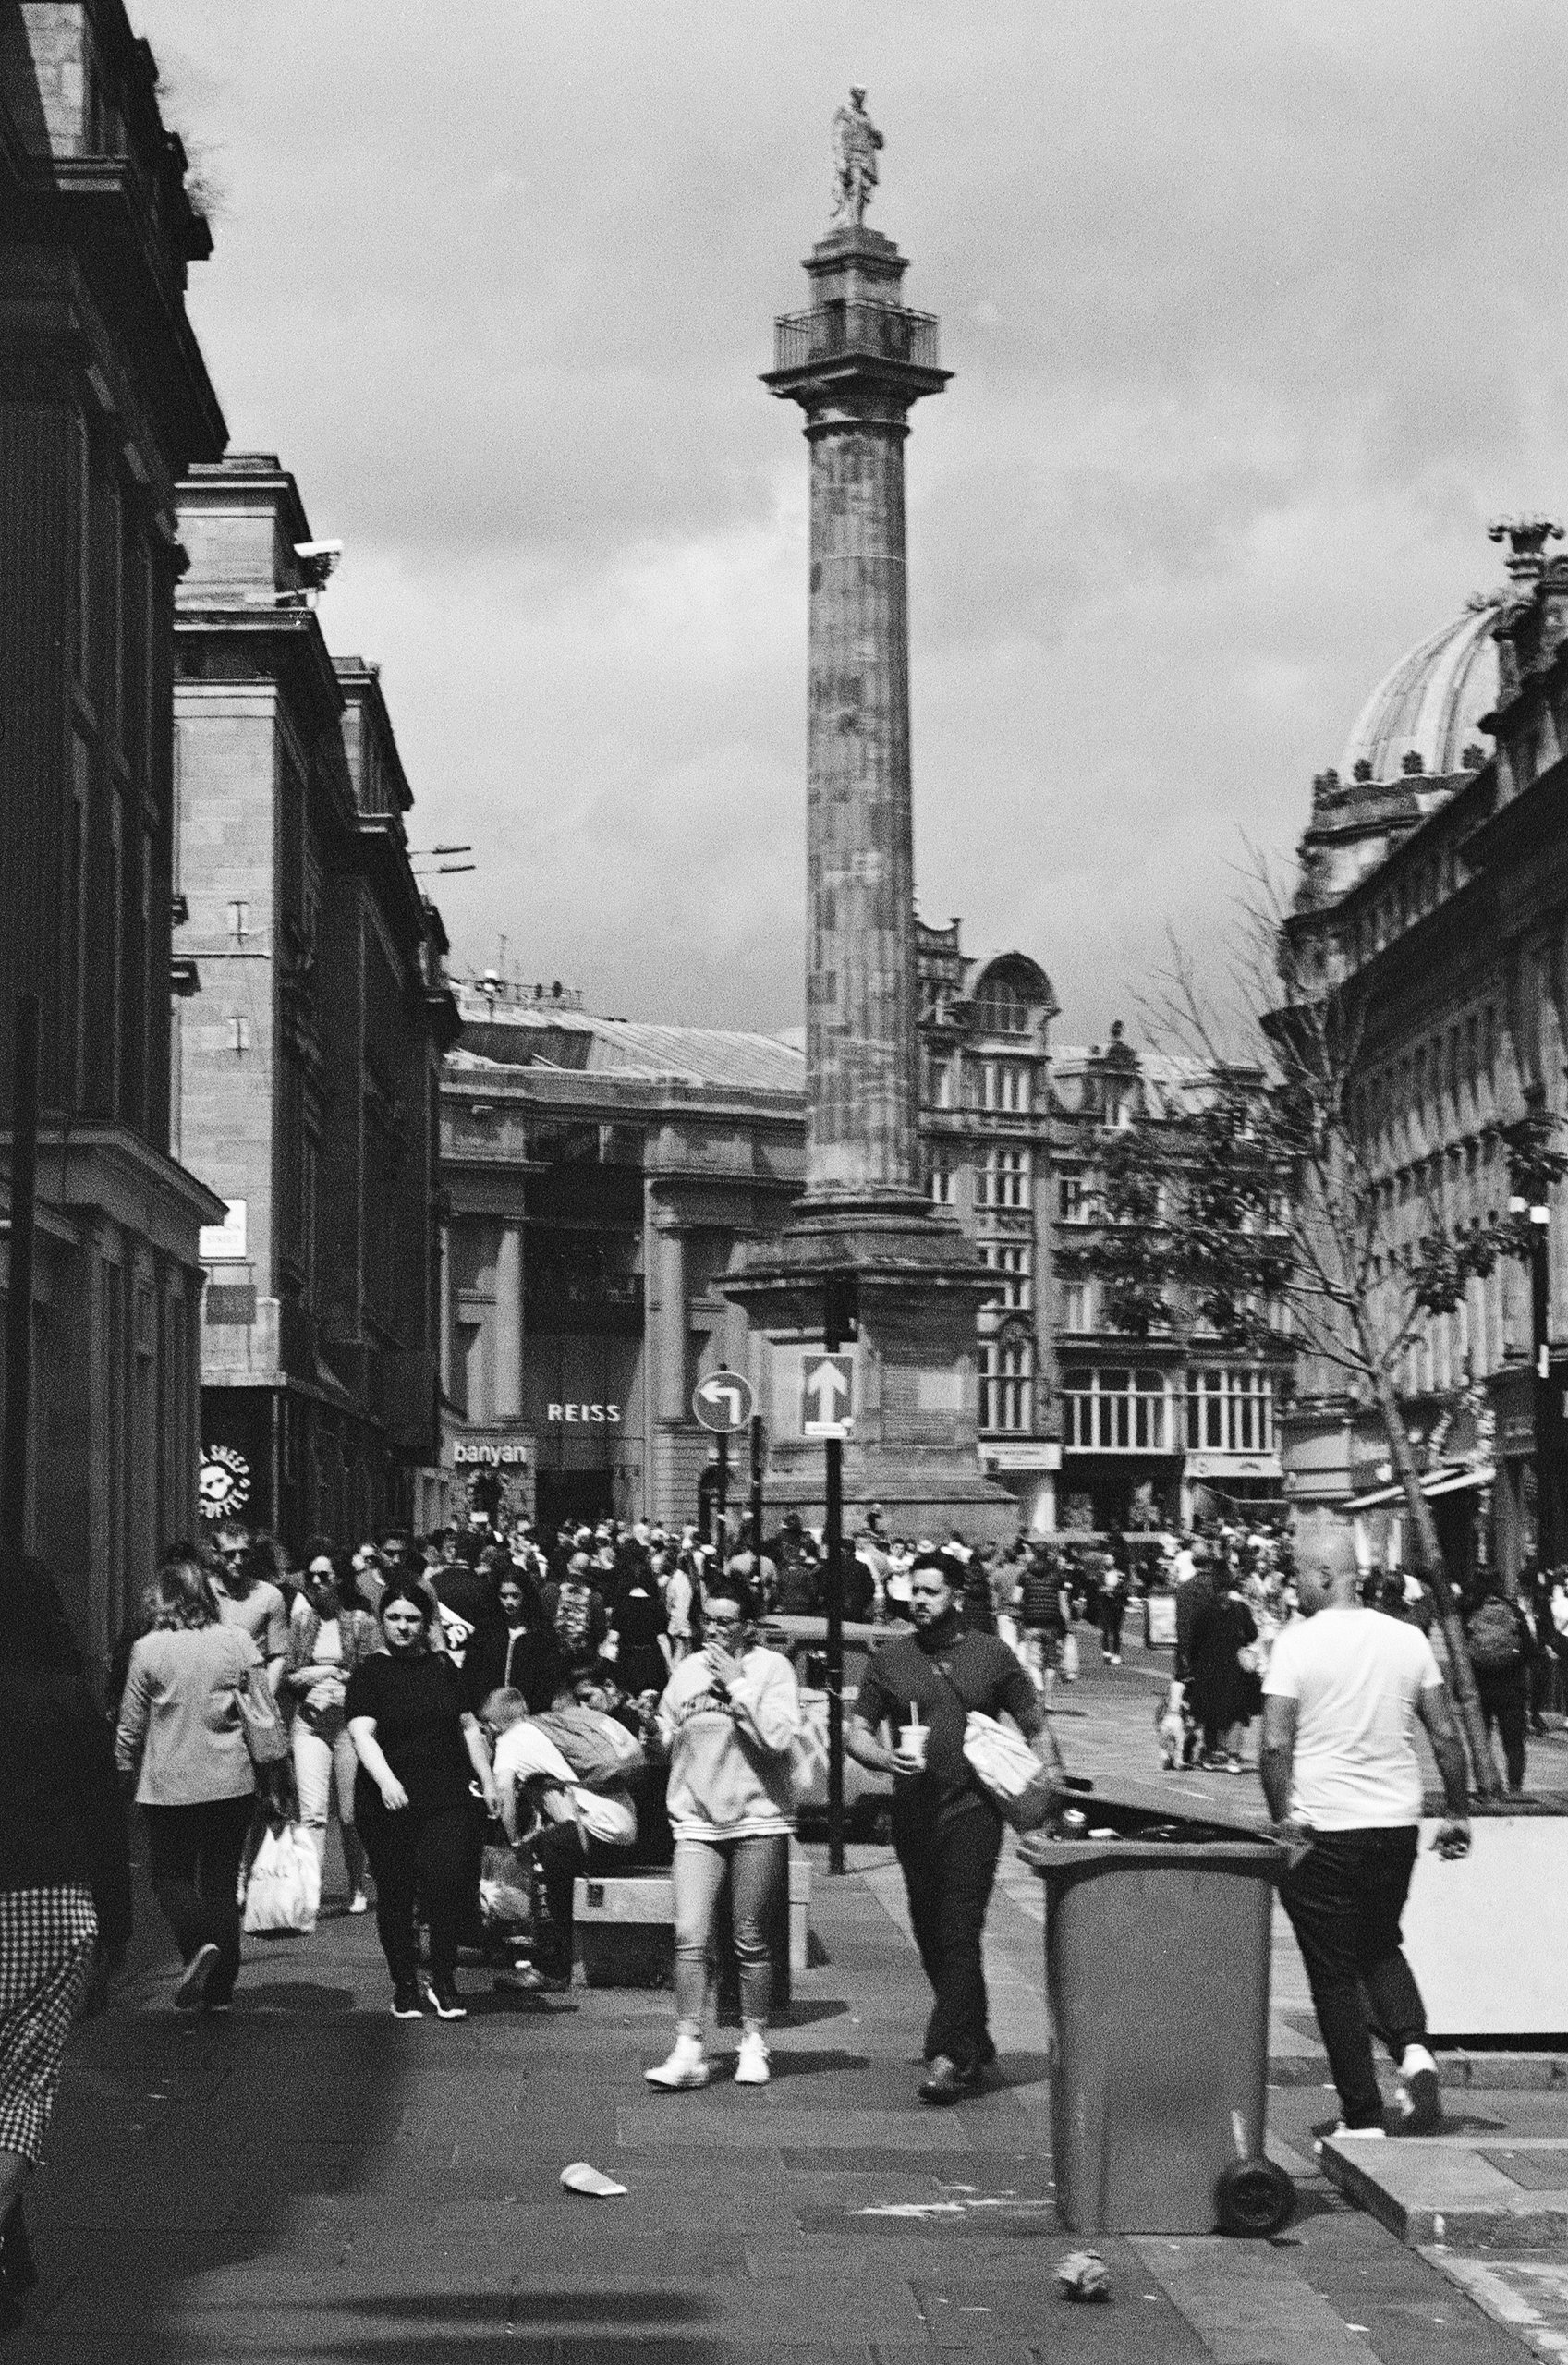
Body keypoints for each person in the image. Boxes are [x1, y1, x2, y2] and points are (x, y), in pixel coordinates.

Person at [1260, 1514, 1471, 2137]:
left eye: (1297, 1572)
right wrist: (1455, 1810)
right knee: (1380, 1940)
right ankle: (1414, 2052)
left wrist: (1283, 1821)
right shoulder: (1406, 1639)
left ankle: (1361, 2113)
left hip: (1323, 1828)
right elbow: (1444, 1733)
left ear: (1325, 1573)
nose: (1290, 1584)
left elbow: (1274, 1745)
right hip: (1394, 1824)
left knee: (1331, 1970)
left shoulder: (1295, 1643)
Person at [848, 1556, 1064, 2103]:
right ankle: (977, 2039)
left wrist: (1049, 1795)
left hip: (973, 1813)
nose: (919, 1601)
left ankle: (947, 2055)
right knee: (929, 1934)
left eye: (931, 1592)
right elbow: (857, 1729)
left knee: (958, 1929)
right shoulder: (892, 1658)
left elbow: (1036, 1726)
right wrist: (880, 1759)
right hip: (913, 1813)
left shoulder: (991, 1655)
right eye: (913, 1590)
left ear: (956, 1597)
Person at [0, 1558, 131, 2334]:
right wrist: (114, 1927)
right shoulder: (65, 1698)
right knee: (19, 2092)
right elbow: (103, 1817)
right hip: (52, 1906)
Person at [645, 1574, 801, 2091]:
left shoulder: (772, 1669)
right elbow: (671, 1738)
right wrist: (654, 1731)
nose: (712, 1629)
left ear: (748, 1627)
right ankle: (689, 2045)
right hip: (696, 1818)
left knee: (749, 1938)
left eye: (725, 1621)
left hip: (759, 1819)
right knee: (689, 1933)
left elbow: (779, 1738)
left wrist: (737, 1684)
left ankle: (753, 2041)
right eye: (708, 1619)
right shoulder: (686, 1670)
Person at [115, 1552, 261, 2014]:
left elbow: (130, 1726)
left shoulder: (148, 1649)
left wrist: (121, 1772)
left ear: (162, 1599)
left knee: (169, 1876)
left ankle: (198, 1946)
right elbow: (262, 1709)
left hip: (169, 1784)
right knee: (220, 1881)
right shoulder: (236, 1641)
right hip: (232, 1780)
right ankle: (220, 1989)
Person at [346, 1580, 499, 2019]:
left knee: (445, 1881)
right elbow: (361, 1733)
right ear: (381, 1621)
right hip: (387, 1799)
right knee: (395, 1891)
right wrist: (386, 1780)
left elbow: (469, 1727)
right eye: (394, 1618)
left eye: (412, 1618)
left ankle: (445, 1979)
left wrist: (487, 1780)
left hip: (446, 1794)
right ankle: (404, 1984)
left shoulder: (443, 1668)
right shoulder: (369, 1673)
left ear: (427, 1622)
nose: (403, 1627)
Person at [486, 1684, 640, 1991]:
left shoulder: (510, 1742)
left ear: (492, 1726)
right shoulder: (549, 1725)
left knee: (540, 1855)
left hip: (596, 1833)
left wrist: (514, 1840)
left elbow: (503, 1792)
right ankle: (543, 1953)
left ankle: (551, 1968)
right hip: (625, 1830)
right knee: (550, 1846)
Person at [284, 1546, 381, 1911]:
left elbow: (374, 1676)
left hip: (348, 1726)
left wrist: (336, 1676)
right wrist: (314, 1675)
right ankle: (309, 1892)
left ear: (339, 1579)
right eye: (311, 1577)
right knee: (311, 1814)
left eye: (324, 1576)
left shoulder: (360, 1622)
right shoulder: (302, 1622)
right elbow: (291, 1677)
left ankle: (357, 1885)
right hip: (309, 1724)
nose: (316, 1583)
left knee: (351, 1814)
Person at [1465, 1580, 1536, 1794]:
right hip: (1512, 1689)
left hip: (1481, 1689)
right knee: (1514, 1744)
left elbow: (1463, 1654)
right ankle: (1514, 1787)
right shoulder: (1514, 1612)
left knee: (1481, 1742)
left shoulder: (1471, 1612)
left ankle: (1484, 1787)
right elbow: (1530, 1650)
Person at [464, 1562, 559, 1717]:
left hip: (527, 1717)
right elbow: (472, 1673)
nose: (509, 1602)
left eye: (515, 1596)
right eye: (503, 1596)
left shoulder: (541, 1633)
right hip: (488, 1715)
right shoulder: (486, 1630)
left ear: (525, 1596)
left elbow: (548, 1681)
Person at [1189, 1576, 1259, 1772]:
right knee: (1236, 1713)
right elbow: (1253, 1634)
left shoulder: (1204, 1612)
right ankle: (1233, 1758)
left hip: (1210, 1670)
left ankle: (1211, 1754)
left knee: (1211, 1713)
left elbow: (1194, 1643)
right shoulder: (1240, 1609)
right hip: (1235, 1670)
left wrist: (1194, 1669)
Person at [209, 1528, 288, 1690]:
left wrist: (266, 1701)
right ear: (215, 1555)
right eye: (229, 1554)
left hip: (250, 1690)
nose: (238, 1560)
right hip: (211, 1691)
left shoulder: (269, 1595)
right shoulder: (203, 1592)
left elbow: (277, 1657)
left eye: (244, 1553)